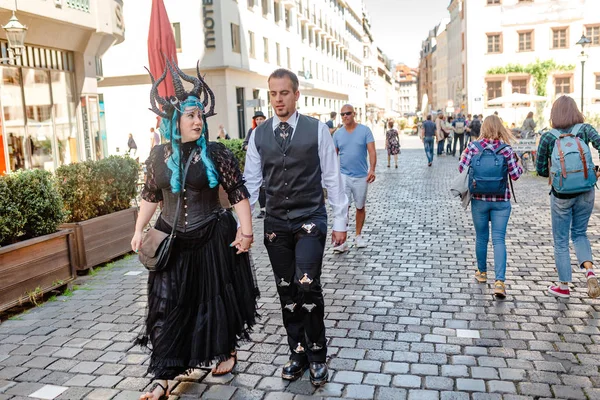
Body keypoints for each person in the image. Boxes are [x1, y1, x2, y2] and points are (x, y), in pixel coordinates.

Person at [131, 60, 259, 400]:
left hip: (211, 236)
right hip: (171, 240)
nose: (197, 121)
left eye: (200, 116)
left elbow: (237, 194)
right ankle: (162, 377)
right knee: (167, 304)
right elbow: (150, 196)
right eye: (190, 116)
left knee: (215, 298)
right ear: (175, 121)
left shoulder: (216, 154)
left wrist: (245, 231)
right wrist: (138, 230)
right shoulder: (158, 155)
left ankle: (225, 350)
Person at [244, 68, 348, 387]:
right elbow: (250, 183)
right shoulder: (258, 136)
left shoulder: (317, 130)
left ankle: (317, 353)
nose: (278, 99)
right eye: (273, 94)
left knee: (307, 284)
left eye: (284, 93)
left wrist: (340, 221)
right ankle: (297, 351)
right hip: (276, 224)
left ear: (296, 94)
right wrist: (243, 226)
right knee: (286, 289)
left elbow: (332, 176)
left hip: (310, 221)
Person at [535, 96, 600, 299]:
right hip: (586, 189)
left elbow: (541, 169)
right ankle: (589, 271)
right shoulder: (585, 129)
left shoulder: (548, 136)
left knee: (561, 240)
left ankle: (563, 286)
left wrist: (553, 175)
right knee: (580, 233)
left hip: (561, 193)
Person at [458, 115, 523, 299]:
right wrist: (518, 162)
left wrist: (466, 158)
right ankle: (500, 282)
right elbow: (516, 175)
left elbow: (461, 169)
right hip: (501, 201)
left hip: (479, 199)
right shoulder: (507, 150)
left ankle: (482, 273)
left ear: (483, 128)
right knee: (499, 239)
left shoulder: (472, 147)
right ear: (500, 128)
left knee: (481, 237)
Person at [333, 104, 376, 251]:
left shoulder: (365, 131)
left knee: (360, 207)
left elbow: (371, 151)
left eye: (348, 113)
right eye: (343, 114)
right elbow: (333, 155)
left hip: (361, 176)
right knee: (344, 207)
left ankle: (358, 236)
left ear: (354, 114)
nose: (345, 116)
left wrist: (372, 169)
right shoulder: (337, 134)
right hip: (344, 175)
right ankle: (342, 240)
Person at [243, 111, 268, 218]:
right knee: (259, 187)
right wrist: (249, 147)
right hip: (256, 163)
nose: (259, 121)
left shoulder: (268, 130)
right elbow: (244, 144)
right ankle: (262, 209)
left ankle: (270, 208)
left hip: (267, 162)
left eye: (261, 119)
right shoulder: (252, 131)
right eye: (257, 119)